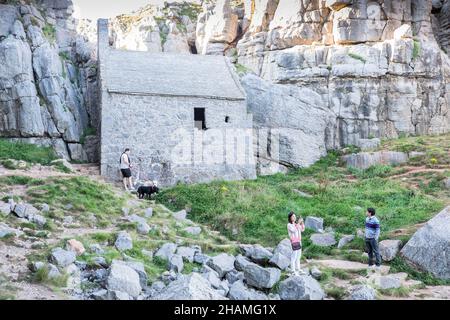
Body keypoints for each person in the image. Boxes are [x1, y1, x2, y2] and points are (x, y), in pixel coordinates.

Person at [287, 211, 305, 276]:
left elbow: (302, 229)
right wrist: (298, 223)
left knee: (298, 256)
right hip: (294, 242)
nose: (294, 217)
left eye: (295, 216)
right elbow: (294, 230)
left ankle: (298, 269)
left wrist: (302, 222)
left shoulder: (296, 224)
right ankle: (293, 271)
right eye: (293, 216)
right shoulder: (289, 225)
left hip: (299, 241)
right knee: (293, 257)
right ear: (290, 218)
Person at [365, 207, 381, 271]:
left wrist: (375, 238)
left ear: (370, 213)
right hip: (367, 238)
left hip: (373, 239)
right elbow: (366, 228)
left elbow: (378, 230)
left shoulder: (376, 220)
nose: (366, 212)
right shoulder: (367, 219)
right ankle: (370, 264)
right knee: (369, 252)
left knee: (376, 251)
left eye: (367, 211)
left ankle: (378, 265)